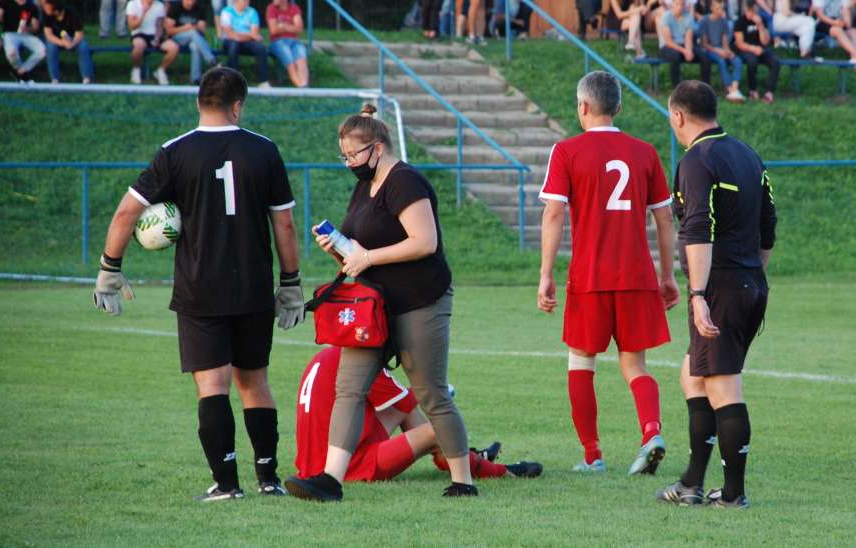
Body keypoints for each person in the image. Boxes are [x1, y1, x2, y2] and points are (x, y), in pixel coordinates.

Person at [91, 66, 304, 501]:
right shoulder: (264, 150)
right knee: (255, 382)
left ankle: (227, 485)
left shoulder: (175, 152)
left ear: (198, 103)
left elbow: (125, 214)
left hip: (200, 290)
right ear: (238, 105)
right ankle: (269, 479)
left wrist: (110, 268)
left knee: (213, 387)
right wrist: (291, 283)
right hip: (252, 289)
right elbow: (284, 225)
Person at [284, 103, 476, 501]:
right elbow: (364, 248)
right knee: (349, 389)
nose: (349, 163)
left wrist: (367, 257)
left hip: (420, 302)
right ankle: (330, 481)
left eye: (353, 155)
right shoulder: (364, 185)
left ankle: (464, 481)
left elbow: (425, 242)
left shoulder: (405, 181)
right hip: (374, 307)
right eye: (344, 156)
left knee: (431, 393)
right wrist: (340, 250)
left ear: (378, 147)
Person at [538, 71, 680, 476]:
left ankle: (592, 455)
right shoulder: (644, 152)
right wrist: (667, 276)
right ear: (619, 107)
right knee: (635, 365)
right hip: (637, 275)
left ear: (582, 107)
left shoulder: (566, 151)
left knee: (581, 363)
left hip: (589, 277)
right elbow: (665, 219)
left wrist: (546, 273)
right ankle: (651, 432)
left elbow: (554, 212)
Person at [656, 80, 776, 509]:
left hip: (720, 286)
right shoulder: (747, 154)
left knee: (724, 386)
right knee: (693, 375)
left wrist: (699, 293)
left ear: (678, 116)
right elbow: (768, 225)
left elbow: (698, 228)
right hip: (748, 282)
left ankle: (732, 495)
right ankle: (691, 483)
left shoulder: (697, 160)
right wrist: (750, 277)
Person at [293, 347, 544, 484]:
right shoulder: (359, 362)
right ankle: (499, 470)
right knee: (438, 430)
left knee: (403, 408)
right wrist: (436, 390)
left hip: (316, 461)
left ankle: (454, 456)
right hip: (349, 466)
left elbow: (402, 403)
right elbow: (412, 398)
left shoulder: (329, 355)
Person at [734, 0, 780, 103]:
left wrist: (760, 26)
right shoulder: (740, 22)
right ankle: (753, 90)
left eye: (755, 11)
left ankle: (769, 92)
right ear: (746, 10)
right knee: (752, 62)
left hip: (761, 48)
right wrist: (753, 49)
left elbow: (765, 42)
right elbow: (739, 43)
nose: (753, 13)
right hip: (746, 49)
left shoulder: (761, 20)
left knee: (775, 62)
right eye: (751, 11)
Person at [699, 0, 745, 101]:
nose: (720, 11)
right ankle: (729, 89)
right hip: (710, 50)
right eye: (717, 8)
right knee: (721, 61)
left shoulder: (723, 21)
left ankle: (735, 88)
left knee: (737, 60)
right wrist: (718, 51)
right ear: (711, 8)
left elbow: (725, 40)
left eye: (722, 8)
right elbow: (704, 44)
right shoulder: (704, 21)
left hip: (721, 49)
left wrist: (728, 51)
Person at [126, 0, 179, 85]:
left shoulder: (159, 5)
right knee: (139, 46)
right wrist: (144, 12)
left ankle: (161, 70)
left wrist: (157, 38)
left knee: (174, 48)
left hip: (155, 35)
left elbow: (160, 25)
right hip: (139, 33)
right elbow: (132, 26)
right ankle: (136, 69)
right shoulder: (133, 4)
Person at [165, 0, 218, 85]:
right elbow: (169, 31)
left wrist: (194, 27)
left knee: (195, 46)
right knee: (192, 33)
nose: (191, 2)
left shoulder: (200, 8)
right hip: (176, 38)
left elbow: (203, 30)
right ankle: (211, 60)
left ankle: (195, 79)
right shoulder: (175, 7)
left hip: (195, 39)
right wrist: (185, 28)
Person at [659, 0, 712, 86]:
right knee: (675, 56)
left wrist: (689, 50)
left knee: (704, 56)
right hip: (668, 46)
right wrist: (684, 51)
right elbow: (668, 41)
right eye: (677, 4)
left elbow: (688, 36)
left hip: (684, 45)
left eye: (682, 4)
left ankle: (705, 87)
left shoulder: (688, 16)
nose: (680, 7)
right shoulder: (666, 17)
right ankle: (676, 88)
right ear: (672, 4)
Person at [220, 0, 270, 88]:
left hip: (246, 42)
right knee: (234, 46)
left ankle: (263, 81)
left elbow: (255, 32)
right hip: (230, 42)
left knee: (261, 48)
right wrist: (250, 34)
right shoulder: (226, 12)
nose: (247, 1)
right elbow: (230, 34)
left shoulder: (252, 12)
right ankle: (234, 81)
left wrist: (239, 35)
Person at [42, 0, 93, 84]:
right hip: (56, 39)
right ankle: (55, 79)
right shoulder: (47, 14)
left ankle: (86, 78)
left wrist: (72, 43)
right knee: (51, 48)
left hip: (73, 38)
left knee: (83, 47)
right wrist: (62, 43)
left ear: (56, 9)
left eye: (47, 6)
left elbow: (79, 33)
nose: (45, 8)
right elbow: (48, 35)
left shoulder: (72, 13)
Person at [0, 0, 45, 82]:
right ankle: (23, 76)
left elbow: (35, 27)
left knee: (42, 50)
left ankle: (20, 72)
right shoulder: (6, 2)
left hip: (26, 34)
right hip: (9, 33)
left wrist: (27, 28)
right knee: (11, 52)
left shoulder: (31, 5)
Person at [266, 0, 308, 87]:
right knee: (289, 59)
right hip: (278, 41)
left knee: (301, 59)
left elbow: (299, 29)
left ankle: (304, 85)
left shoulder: (294, 8)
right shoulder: (271, 8)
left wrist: (283, 26)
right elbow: (273, 30)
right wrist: (292, 27)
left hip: (293, 41)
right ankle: (300, 86)